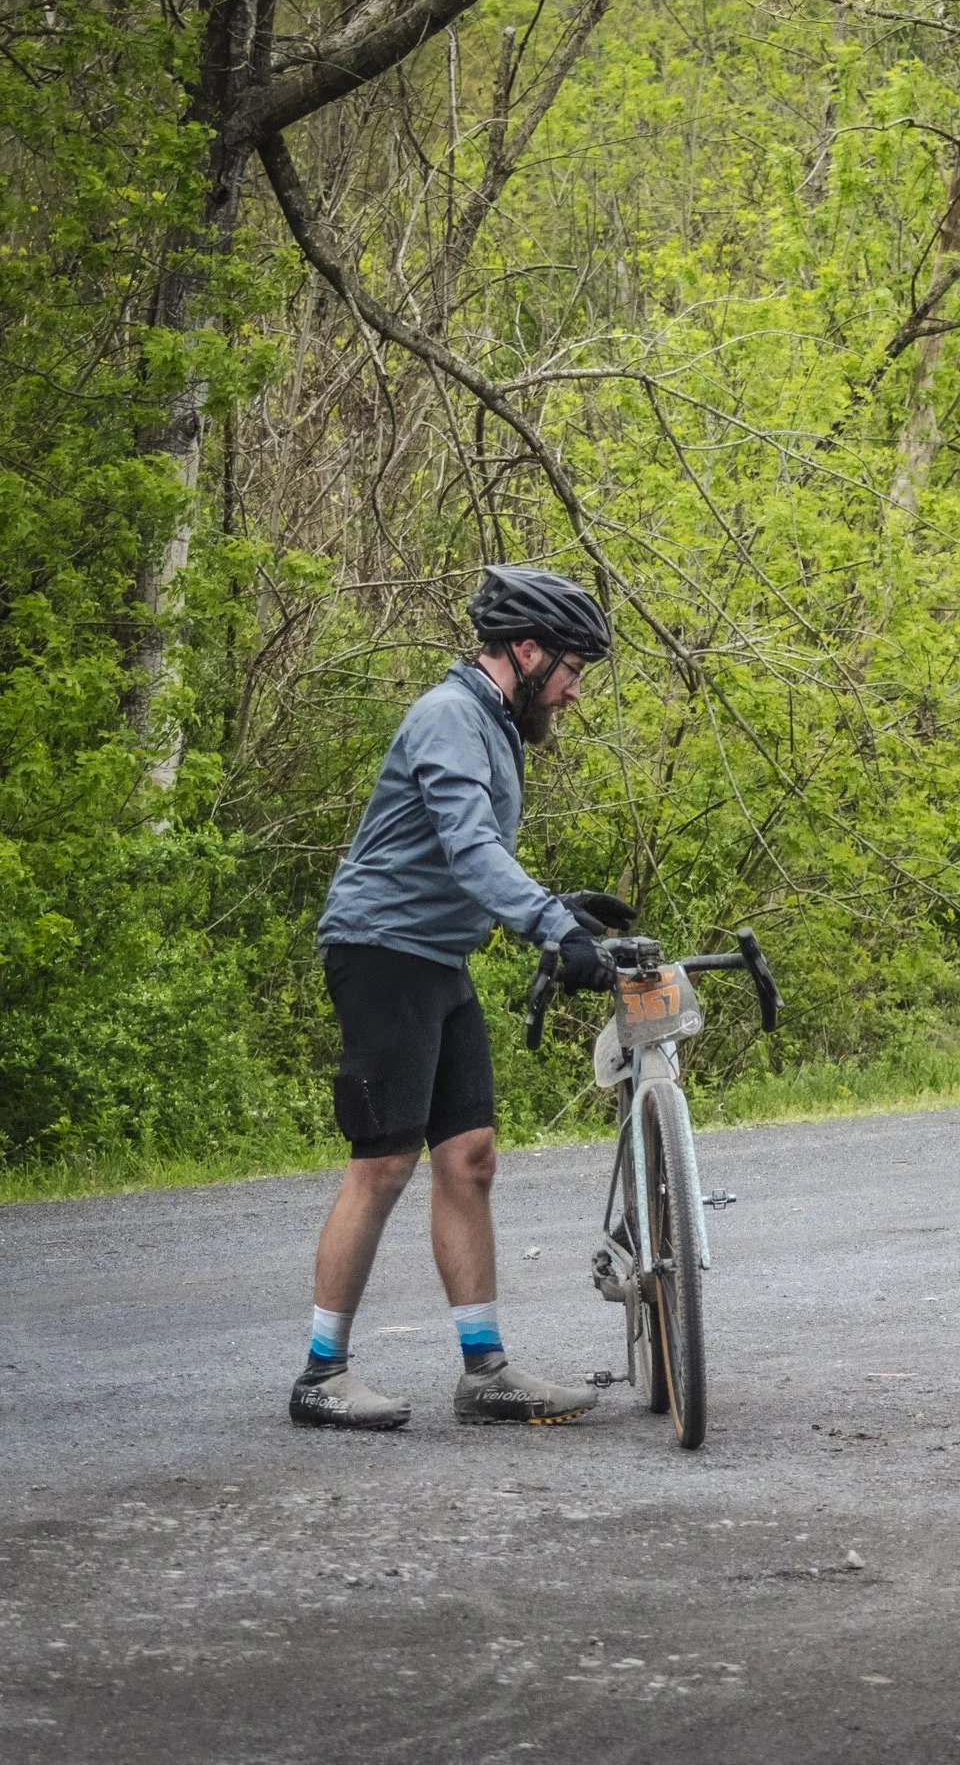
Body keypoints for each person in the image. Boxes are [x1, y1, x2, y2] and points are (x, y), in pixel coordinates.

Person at [290, 566, 636, 1431]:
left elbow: (472, 856)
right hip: (381, 950)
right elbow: (471, 850)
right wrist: (552, 928)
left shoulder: (489, 725)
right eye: (570, 668)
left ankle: (485, 1372)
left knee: (469, 1155)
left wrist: (557, 905)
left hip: (435, 956)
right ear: (525, 650)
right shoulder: (449, 717)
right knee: (383, 1160)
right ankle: (320, 1374)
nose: (573, 689)